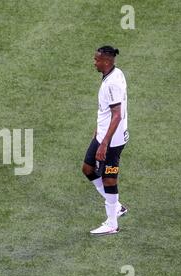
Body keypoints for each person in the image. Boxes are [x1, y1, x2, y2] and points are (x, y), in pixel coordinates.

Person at [82, 45, 129, 235]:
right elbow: (106, 112)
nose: (94, 62)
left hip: (112, 141)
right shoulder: (115, 74)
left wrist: (104, 143)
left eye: (97, 59)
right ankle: (116, 206)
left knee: (109, 179)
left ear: (106, 61)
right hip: (103, 134)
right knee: (88, 168)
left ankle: (112, 224)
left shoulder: (112, 83)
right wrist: (98, 131)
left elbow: (116, 115)